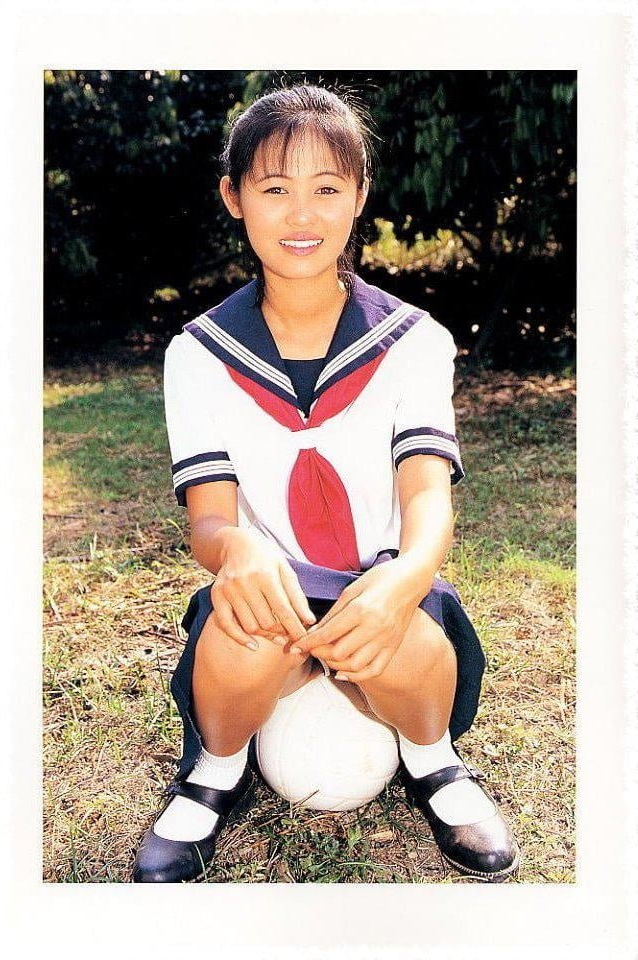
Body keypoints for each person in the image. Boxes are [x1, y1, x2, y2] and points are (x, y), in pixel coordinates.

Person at [132, 83, 520, 883]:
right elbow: (209, 520)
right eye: (275, 189)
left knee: (405, 644)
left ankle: (433, 759)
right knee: (242, 638)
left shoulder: (414, 340)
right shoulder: (198, 353)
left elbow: (426, 497)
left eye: (327, 188)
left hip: (378, 586)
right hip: (267, 596)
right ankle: (216, 771)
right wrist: (237, 551)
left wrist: (401, 583)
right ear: (234, 198)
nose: (301, 214)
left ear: (360, 196)